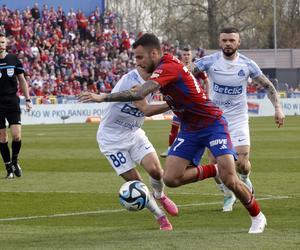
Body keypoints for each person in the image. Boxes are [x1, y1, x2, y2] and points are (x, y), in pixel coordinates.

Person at [79, 33, 268, 234]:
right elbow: (152, 105)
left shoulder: (167, 67)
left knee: (230, 179)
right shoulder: (163, 71)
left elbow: (139, 94)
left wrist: (102, 97)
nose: (138, 63)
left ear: (154, 53)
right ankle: (213, 170)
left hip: (212, 124)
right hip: (189, 128)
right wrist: (143, 105)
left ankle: (257, 216)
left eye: (140, 57)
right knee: (170, 179)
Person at [193, 27, 285, 212]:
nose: (228, 43)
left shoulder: (247, 64)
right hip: (215, 119)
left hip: (238, 118)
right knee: (214, 164)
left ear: (238, 43)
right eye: (225, 40)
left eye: (231, 40)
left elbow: (267, 86)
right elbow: (183, 73)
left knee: (242, 163)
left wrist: (278, 108)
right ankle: (228, 194)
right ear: (220, 42)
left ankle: (244, 178)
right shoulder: (209, 62)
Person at [82, 66, 178, 231]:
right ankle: (160, 217)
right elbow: (147, 110)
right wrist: (174, 103)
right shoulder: (132, 81)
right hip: (111, 140)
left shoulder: (158, 80)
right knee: (137, 184)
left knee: (157, 171)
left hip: (133, 133)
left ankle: (160, 195)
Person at [160, 44, 209, 158]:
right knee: (175, 126)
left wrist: (207, 95)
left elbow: (206, 81)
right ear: (180, 56)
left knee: (195, 127)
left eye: (188, 54)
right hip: (181, 102)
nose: (186, 57)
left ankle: (198, 149)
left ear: (191, 55)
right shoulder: (177, 66)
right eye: (184, 54)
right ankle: (170, 150)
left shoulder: (195, 67)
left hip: (195, 103)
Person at [0, 32, 32, 178]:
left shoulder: (13, 59)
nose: (0, 45)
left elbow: (22, 80)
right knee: (2, 138)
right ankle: (8, 169)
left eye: (2, 42)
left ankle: (14, 161)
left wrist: (28, 99)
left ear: (6, 44)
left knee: (16, 136)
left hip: (12, 101)